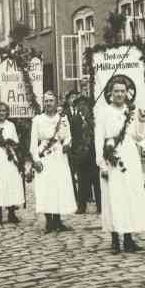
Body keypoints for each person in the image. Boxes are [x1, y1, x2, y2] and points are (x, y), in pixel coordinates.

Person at [95, 76, 145, 253]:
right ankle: (114, 240)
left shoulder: (132, 111)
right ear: (111, 94)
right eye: (116, 91)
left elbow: (139, 136)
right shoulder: (104, 112)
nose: (120, 94)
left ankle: (128, 239)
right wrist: (101, 163)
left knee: (129, 196)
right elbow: (98, 139)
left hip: (129, 154)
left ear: (126, 93)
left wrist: (142, 120)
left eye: (122, 91)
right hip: (111, 156)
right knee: (113, 197)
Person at [29, 91, 76, 233]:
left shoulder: (62, 119)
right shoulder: (37, 120)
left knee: (59, 187)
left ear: (56, 102)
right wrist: (36, 159)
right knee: (46, 188)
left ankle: (58, 220)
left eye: (51, 100)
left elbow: (68, 137)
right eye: (46, 101)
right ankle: (49, 221)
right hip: (45, 157)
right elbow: (32, 143)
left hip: (59, 157)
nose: (48, 103)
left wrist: (68, 144)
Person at [0, 102, 24, 224]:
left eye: (3, 111)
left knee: (11, 182)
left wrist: (11, 144)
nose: (1, 113)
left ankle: (12, 212)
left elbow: (16, 141)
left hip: (9, 156)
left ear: (7, 112)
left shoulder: (11, 125)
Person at [70, 95, 101, 214]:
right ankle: (81, 206)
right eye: (80, 105)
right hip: (81, 155)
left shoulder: (93, 119)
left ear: (88, 106)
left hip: (94, 154)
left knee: (97, 182)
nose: (82, 107)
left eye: (84, 104)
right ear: (77, 107)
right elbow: (72, 136)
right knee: (82, 182)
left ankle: (100, 205)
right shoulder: (74, 120)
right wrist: (75, 153)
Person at [63, 90, 81, 203]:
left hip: (80, 146)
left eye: (76, 97)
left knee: (81, 172)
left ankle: (84, 195)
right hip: (69, 146)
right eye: (72, 97)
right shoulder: (64, 113)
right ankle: (73, 196)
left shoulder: (82, 111)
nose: (74, 99)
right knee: (70, 172)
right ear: (68, 100)